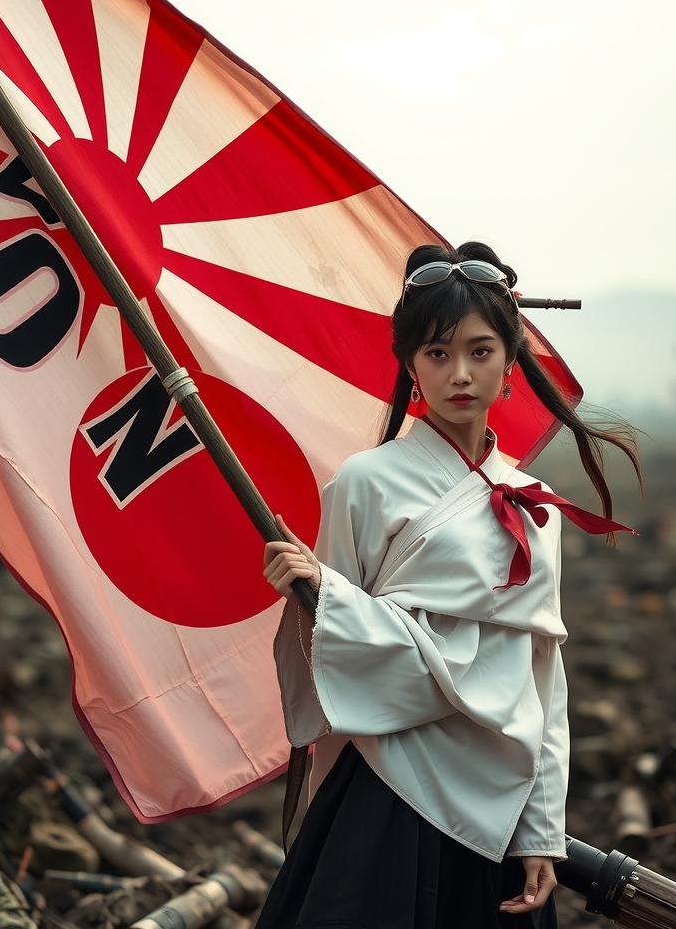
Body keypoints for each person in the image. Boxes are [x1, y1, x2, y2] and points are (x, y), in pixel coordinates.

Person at [260, 242, 639, 929]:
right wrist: (316, 591)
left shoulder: (536, 503)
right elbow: (327, 652)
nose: (460, 373)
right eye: (437, 354)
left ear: (511, 360)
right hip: (388, 786)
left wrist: (542, 830)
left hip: (501, 798)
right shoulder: (362, 483)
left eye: (480, 351)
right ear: (410, 364)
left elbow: (541, 679)